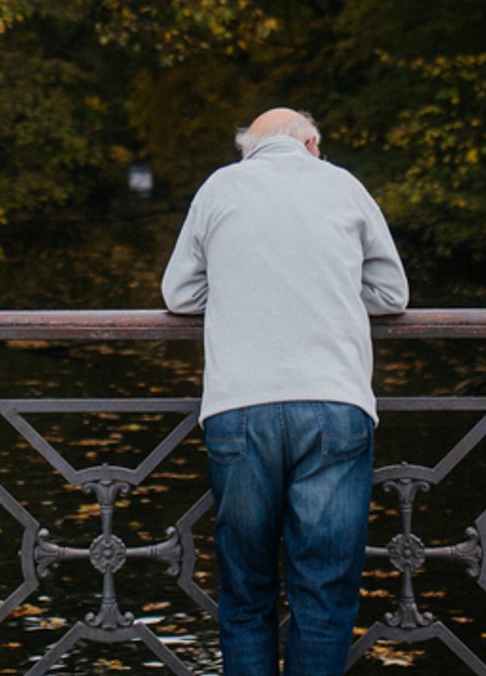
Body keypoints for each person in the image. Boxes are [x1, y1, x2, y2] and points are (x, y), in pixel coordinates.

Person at [161, 107, 408, 676]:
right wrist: (331, 291)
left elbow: (178, 294)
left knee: (246, 592)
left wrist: (240, 290)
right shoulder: (342, 184)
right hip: (333, 406)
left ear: (248, 150)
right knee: (323, 594)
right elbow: (392, 294)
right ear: (312, 143)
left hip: (239, 408)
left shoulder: (221, 187)